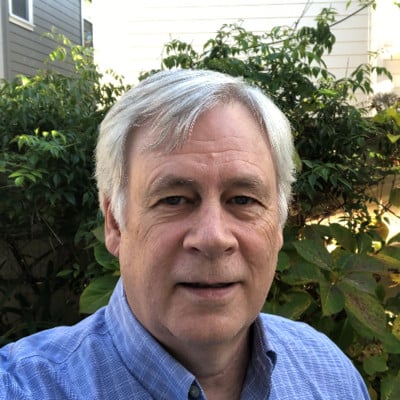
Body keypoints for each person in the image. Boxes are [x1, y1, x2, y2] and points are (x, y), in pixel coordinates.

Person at [0, 69, 369, 400]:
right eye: (174, 199)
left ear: (278, 225)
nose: (213, 237)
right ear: (114, 223)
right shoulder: (22, 388)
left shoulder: (330, 375)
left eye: (243, 200)